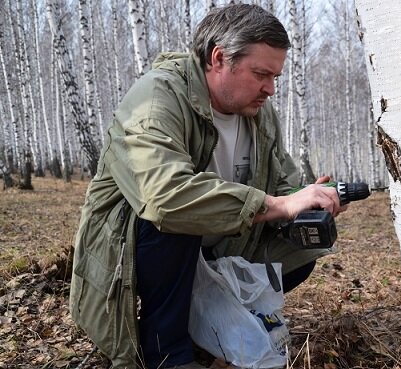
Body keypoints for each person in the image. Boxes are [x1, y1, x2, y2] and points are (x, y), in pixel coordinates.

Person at [69, 4, 346, 369]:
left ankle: (210, 329)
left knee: (304, 241)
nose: (271, 89)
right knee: (178, 219)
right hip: (139, 249)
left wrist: (306, 199)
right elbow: (165, 197)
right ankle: (167, 353)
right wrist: (276, 205)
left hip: (216, 248)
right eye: (261, 73)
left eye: (275, 76)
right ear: (218, 59)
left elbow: (283, 182)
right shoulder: (157, 98)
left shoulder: (258, 112)